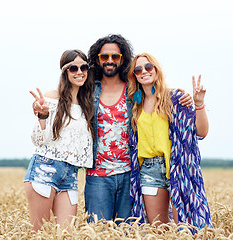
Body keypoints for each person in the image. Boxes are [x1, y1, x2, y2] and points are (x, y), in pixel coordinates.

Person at [84, 34, 193, 223]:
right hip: (98, 176)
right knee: (97, 231)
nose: (110, 61)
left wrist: (188, 99)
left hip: (130, 173)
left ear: (123, 59)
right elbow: (65, 96)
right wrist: (44, 110)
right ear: (97, 59)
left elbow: (158, 94)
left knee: (130, 232)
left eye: (115, 57)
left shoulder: (133, 91)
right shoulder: (88, 91)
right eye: (104, 57)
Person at [127, 52, 213, 230]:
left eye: (148, 67)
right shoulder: (135, 106)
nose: (144, 71)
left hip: (177, 169)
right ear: (134, 75)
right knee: (158, 230)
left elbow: (201, 132)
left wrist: (198, 104)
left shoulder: (175, 98)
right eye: (138, 69)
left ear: (156, 70)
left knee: (186, 228)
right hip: (149, 172)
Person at [23, 49, 94, 231]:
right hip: (44, 168)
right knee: (40, 233)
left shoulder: (87, 102)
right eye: (73, 68)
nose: (79, 72)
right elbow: (38, 140)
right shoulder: (52, 97)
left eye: (84, 67)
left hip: (70, 174)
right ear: (65, 72)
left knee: (66, 233)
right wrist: (43, 116)